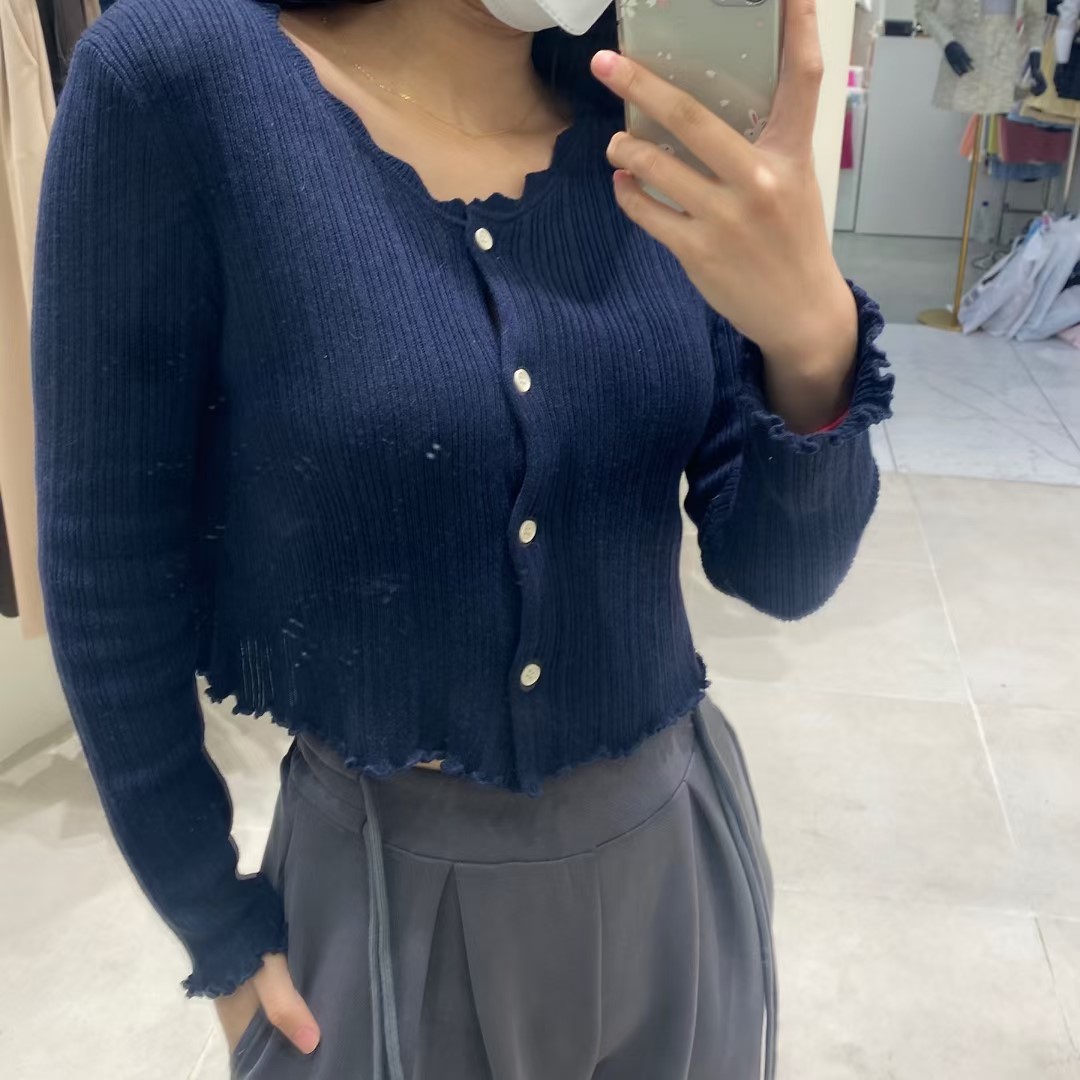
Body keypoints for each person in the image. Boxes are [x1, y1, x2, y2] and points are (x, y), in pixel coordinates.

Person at [31, 0, 892, 1076]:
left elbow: (783, 571)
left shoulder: (647, 117)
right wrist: (211, 917)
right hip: (383, 908)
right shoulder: (181, 81)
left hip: (673, 875)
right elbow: (108, 554)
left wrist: (811, 336)